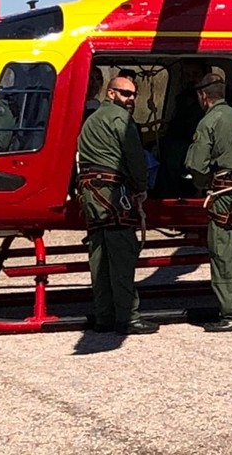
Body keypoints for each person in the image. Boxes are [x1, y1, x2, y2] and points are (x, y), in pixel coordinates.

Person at [76, 76, 159, 335]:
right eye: (125, 93)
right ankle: (127, 317)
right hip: (113, 194)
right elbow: (134, 158)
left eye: (133, 94)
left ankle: (105, 316)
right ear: (111, 93)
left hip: (91, 194)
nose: (131, 98)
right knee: (122, 257)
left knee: (100, 257)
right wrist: (142, 187)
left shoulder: (91, 120)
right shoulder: (120, 119)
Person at [184, 72, 232, 332]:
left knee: (223, 252)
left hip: (225, 193)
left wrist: (204, 183)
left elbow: (196, 165)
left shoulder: (209, 121)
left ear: (203, 96)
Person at [157, 59, 210, 198]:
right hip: (177, 143)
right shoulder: (183, 97)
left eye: (196, 74)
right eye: (188, 75)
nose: (191, 79)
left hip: (193, 145)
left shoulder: (207, 103)